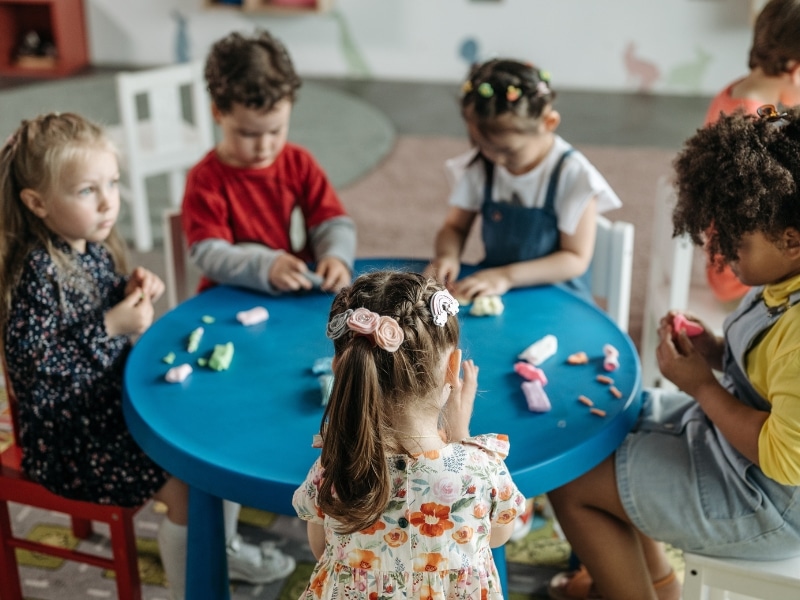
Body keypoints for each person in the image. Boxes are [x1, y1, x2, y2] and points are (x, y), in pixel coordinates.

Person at [0, 113, 293, 600]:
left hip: (110, 403)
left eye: (111, 183)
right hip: (69, 438)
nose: (108, 201)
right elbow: (37, 365)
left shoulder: (85, 245)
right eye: (86, 191)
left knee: (212, 436)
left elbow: (98, 299)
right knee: (188, 485)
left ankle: (223, 545)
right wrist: (111, 326)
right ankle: (195, 585)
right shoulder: (35, 274)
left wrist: (132, 287)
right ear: (37, 203)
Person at [546, 107, 800, 600]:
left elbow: (783, 459)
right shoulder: (782, 279)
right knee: (604, 426)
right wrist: (715, 352)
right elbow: (771, 379)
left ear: (791, 242)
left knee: (573, 484)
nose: (723, 255)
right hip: (735, 454)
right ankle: (658, 585)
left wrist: (701, 385)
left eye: (737, 244)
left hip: (770, 504)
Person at [292, 270, 525, 600]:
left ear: (340, 369)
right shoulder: (480, 471)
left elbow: (321, 550)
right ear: (452, 369)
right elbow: (499, 535)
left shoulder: (333, 470)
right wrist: (461, 436)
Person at [425, 59, 621, 304]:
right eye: (484, 147)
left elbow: (575, 258)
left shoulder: (572, 175)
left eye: (508, 151)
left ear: (548, 123)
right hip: (495, 288)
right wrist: (447, 256)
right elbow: (455, 227)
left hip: (557, 295)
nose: (496, 159)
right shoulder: (482, 166)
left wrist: (506, 276)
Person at [182, 29, 356, 296]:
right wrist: (265, 266)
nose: (264, 146)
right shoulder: (206, 179)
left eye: (276, 131)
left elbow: (331, 221)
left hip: (289, 288)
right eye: (248, 134)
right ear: (218, 112)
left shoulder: (299, 162)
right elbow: (209, 254)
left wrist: (335, 256)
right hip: (228, 295)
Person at [702, 0, 800, 304]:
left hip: (742, 259)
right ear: (794, 68)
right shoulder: (751, 126)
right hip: (749, 279)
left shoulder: (741, 94)